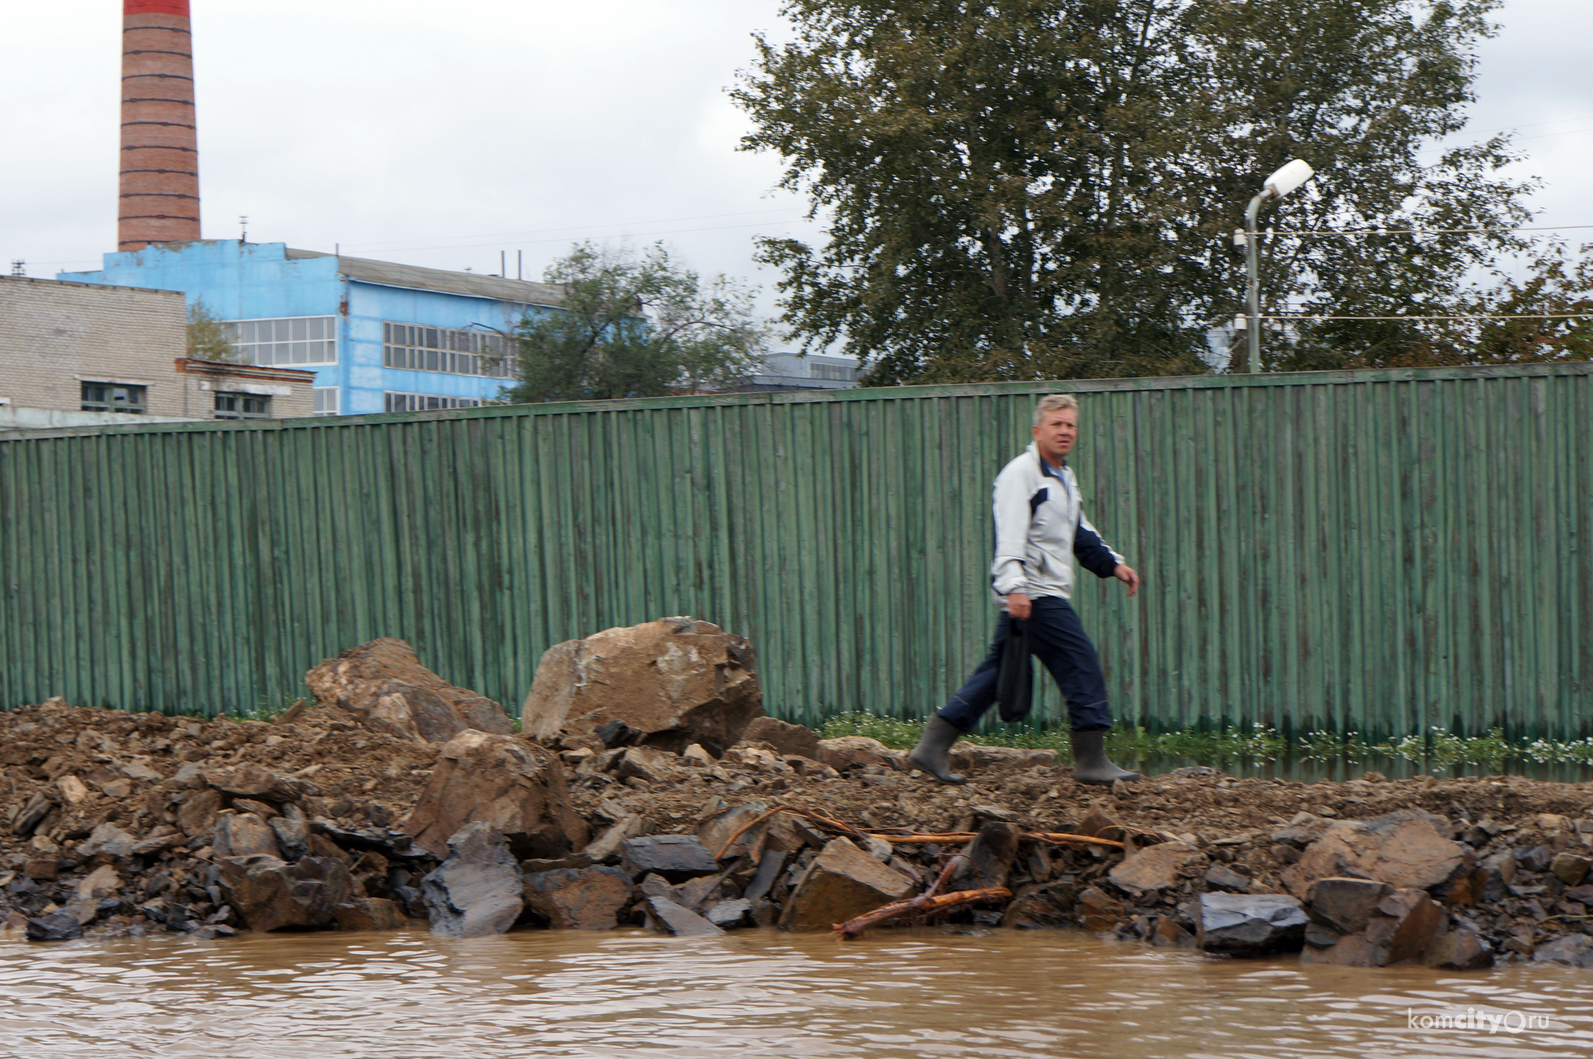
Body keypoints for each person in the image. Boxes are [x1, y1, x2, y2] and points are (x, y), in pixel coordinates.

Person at [908, 393, 1142, 786]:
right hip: (1034, 594)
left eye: (1070, 425)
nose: (1065, 431)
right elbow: (1010, 535)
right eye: (1057, 424)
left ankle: (931, 748)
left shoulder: (1063, 476)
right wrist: (1014, 587)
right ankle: (1091, 761)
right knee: (1081, 664)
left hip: (1037, 594)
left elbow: (1079, 532)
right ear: (1038, 430)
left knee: (995, 675)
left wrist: (1113, 563)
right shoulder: (1021, 474)